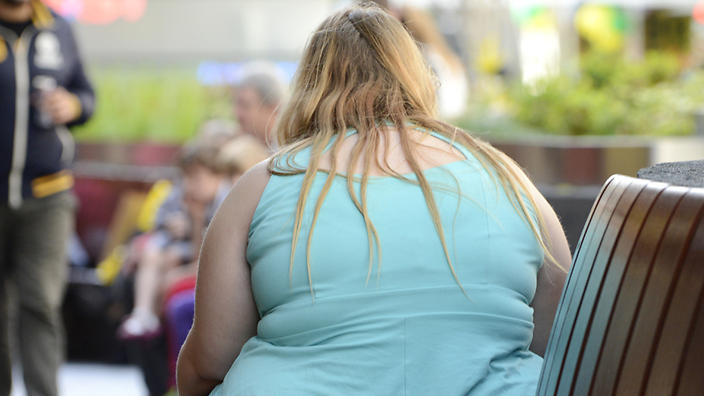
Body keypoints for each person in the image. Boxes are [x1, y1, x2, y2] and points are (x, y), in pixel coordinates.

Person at [177, 3, 571, 395]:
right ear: (416, 76)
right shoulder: (506, 177)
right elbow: (558, 336)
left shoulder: (262, 186)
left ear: (310, 85)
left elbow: (209, 361)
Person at [0, 1, 95, 395]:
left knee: (41, 302)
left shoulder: (59, 28)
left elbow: (87, 97)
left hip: (48, 195)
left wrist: (74, 105)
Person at [233, 64, 287, 148]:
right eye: (237, 105)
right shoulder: (244, 148)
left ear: (273, 108)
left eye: (245, 106)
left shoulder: (289, 153)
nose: (238, 114)